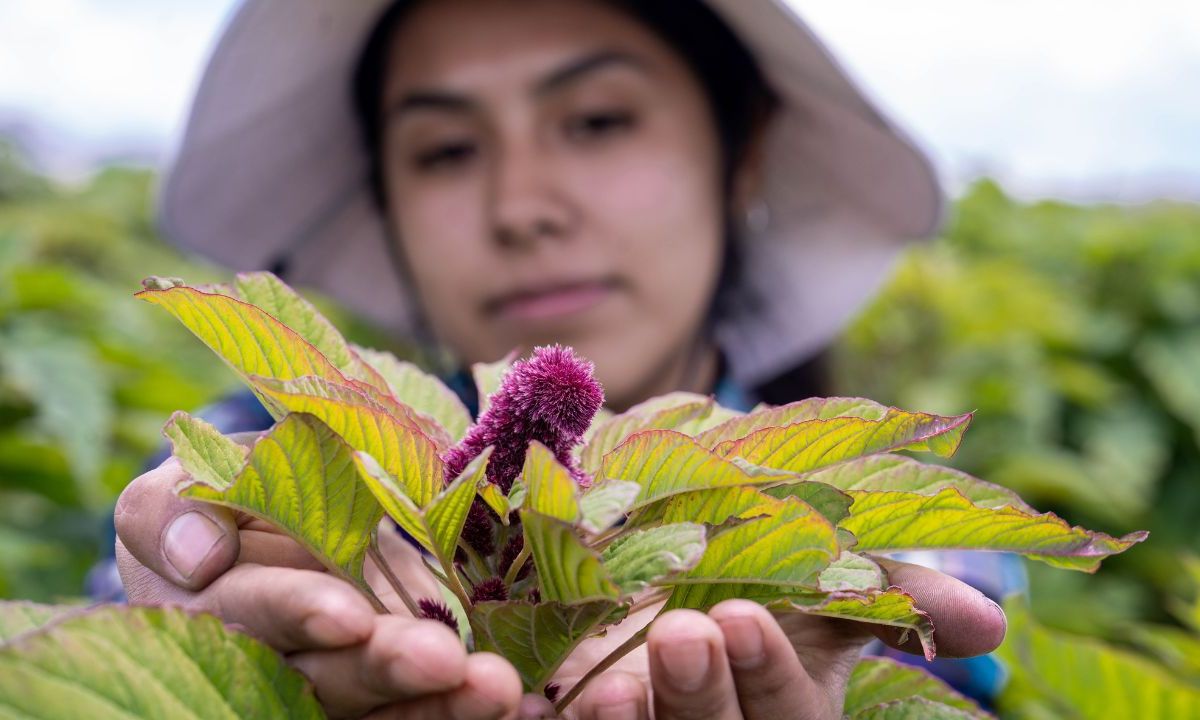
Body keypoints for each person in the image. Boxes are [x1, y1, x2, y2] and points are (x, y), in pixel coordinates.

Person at [112, 1, 1011, 718]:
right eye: (448, 149)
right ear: (389, 203)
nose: (520, 206)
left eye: (596, 120)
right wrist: (193, 644)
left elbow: (961, 643)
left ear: (745, 155)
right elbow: (135, 579)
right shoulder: (276, 444)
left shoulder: (875, 524)